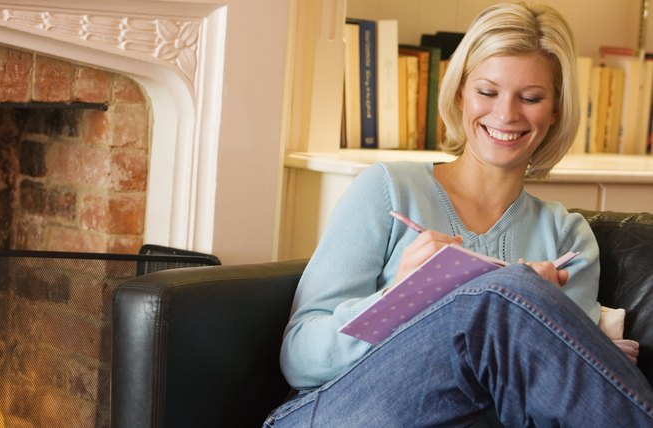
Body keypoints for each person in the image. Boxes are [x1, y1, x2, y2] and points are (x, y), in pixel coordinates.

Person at [263, 2, 653, 426]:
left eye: (531, 98)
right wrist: (400, 298)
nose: (506, 114)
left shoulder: (567, 238)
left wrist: (532, 314)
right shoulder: (387, 189)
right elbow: (301, 359)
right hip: (333, 413)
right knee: (498, 298)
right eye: (487, 92)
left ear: (555, 110)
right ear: (460, 92)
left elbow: (558, 399)